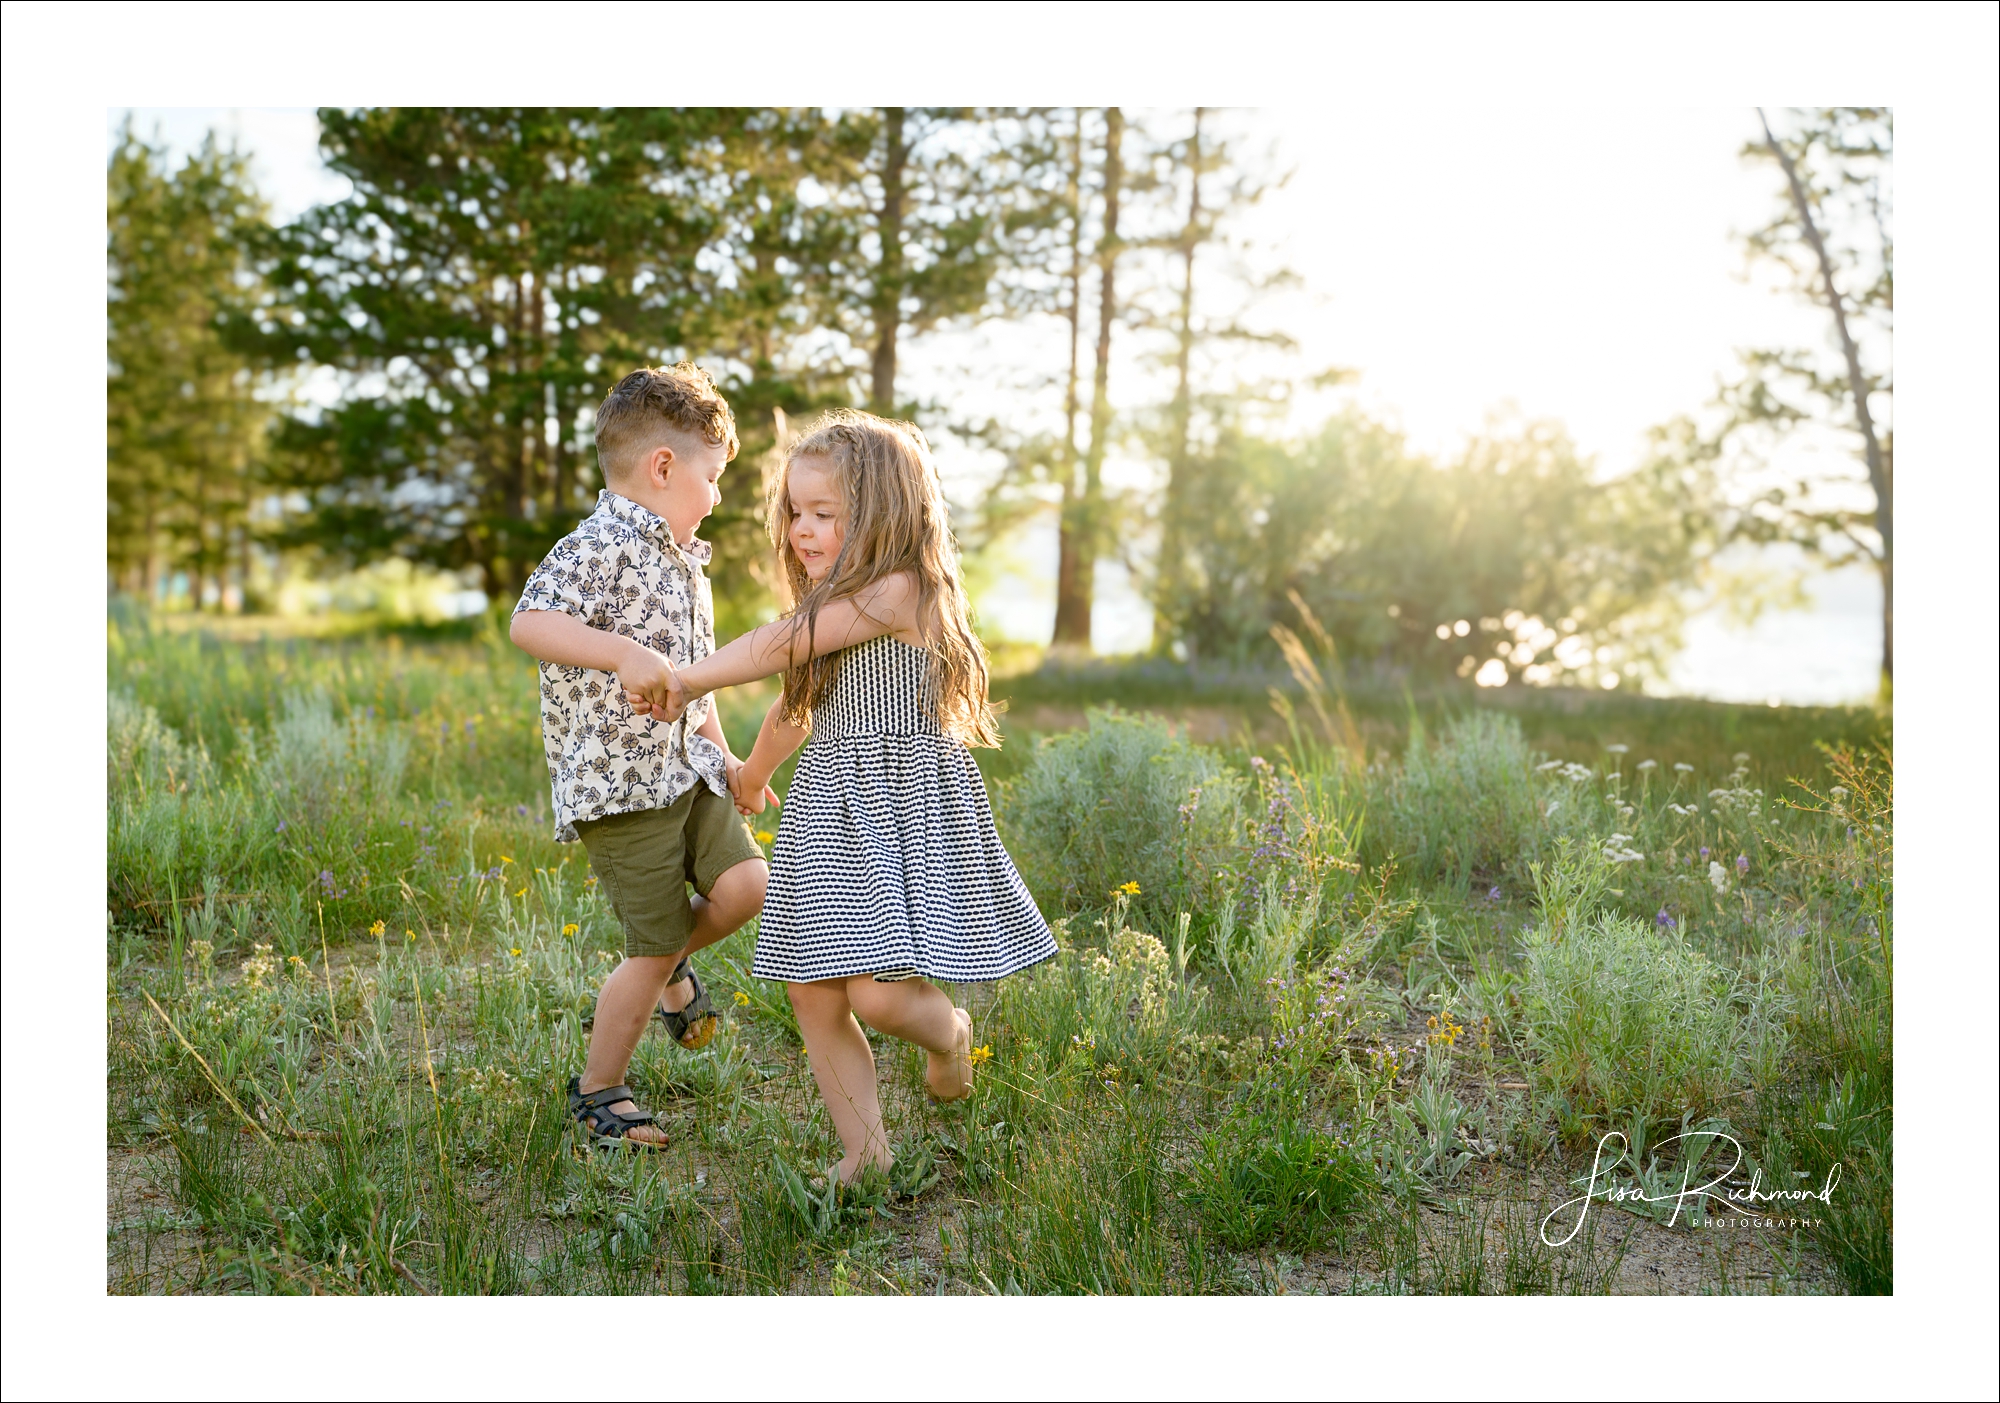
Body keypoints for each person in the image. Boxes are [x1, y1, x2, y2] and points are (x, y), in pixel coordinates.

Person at [636, 408, 1055, 1184]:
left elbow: (780, 647)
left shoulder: (901, 591)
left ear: (888, 512)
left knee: (882, 995)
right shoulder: (834, 604)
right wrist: (753, 774)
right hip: (830, 812)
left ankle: (951, 1032)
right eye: (796, 511)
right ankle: (865, 1149)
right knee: (815, 988)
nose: (802, 527)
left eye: (825, 513)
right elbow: (797, 702)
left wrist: (686, 677)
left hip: (903, 808)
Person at [509, 363, 768, 1148]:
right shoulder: (596, 545)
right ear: (664, 467)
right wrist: (618, 652)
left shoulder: (689, 563)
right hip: (621, 792)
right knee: (650, 946)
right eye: (713, 476)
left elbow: (699, 676)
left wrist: (726, 758)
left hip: (689, 770)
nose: (718, 496)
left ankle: (666, 974)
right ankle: (599, 1093)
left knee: (750, 885)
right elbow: (530, 623)